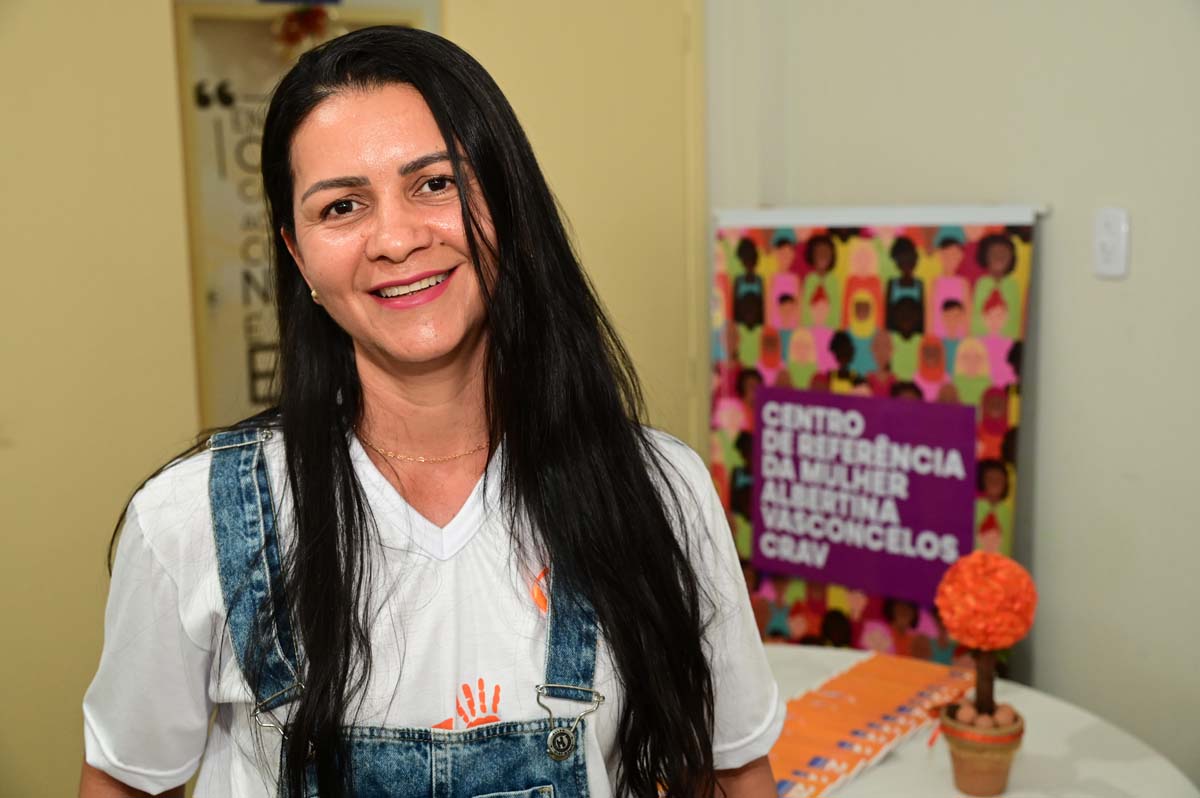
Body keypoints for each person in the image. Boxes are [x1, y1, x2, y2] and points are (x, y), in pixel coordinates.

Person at [80, 27, 780, 798]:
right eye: (342, 205)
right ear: (299, 255)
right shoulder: (194, 522)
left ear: (507, 203)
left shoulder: (658, 491)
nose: (396, 239)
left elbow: (726, 769)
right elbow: (124, 782)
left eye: (435, 183)